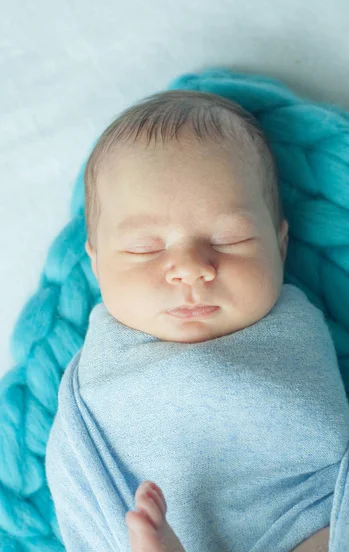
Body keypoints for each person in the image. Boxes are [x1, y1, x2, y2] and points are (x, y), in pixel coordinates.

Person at [81, 89, 329, 552]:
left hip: (304, 520)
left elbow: (324, 439)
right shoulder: (97, 377)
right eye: (145, 248)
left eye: (230, 238)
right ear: (96, 263)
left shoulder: (297, 333)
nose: (191, 267)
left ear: (280, 245)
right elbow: (82, 481)